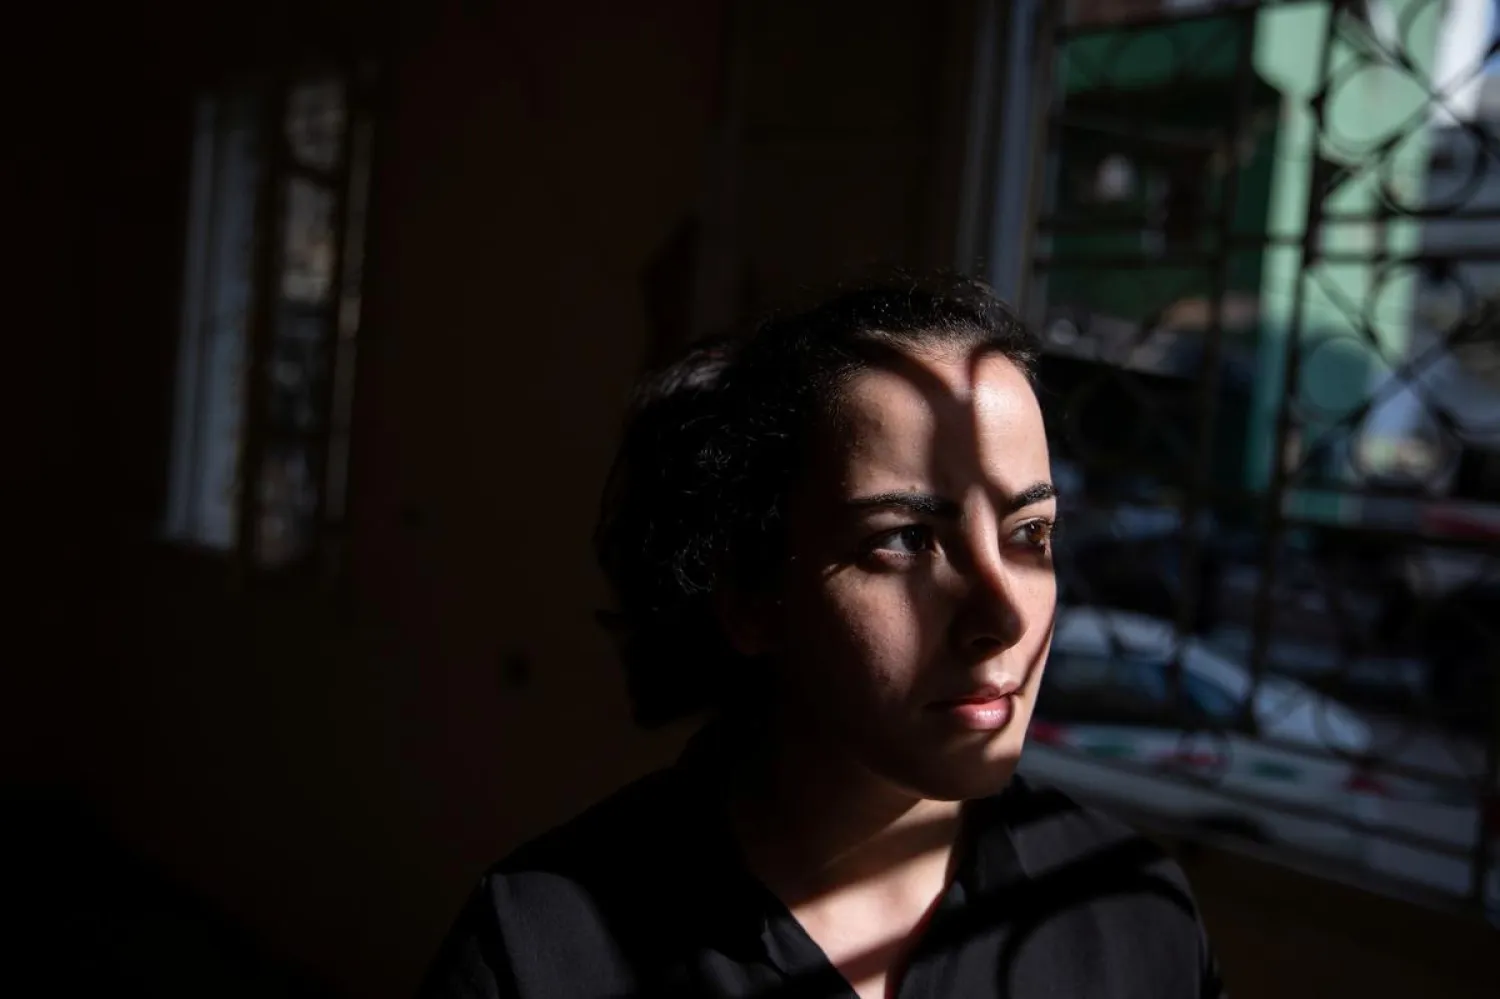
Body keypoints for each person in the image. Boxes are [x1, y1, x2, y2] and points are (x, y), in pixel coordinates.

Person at [419, 275, 1224, 999]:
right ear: (748, 594)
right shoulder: (541, 953)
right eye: (905, 538)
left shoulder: (1130, 919)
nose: (1004, 614)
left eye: (1030, 534)